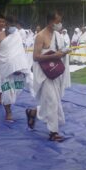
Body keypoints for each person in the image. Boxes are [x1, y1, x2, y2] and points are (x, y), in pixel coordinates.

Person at [26, 11, 72, 142]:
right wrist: (54, 56)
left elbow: (60, 51)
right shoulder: (40, 36)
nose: (60, 24)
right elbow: (35, 57)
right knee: (52, 101)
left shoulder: (58, 35)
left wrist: (64, 52)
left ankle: (33, 112)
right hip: (44, 74)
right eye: (57, 21)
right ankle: (53, 132)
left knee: (54, 101)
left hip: (55, 72)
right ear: (51, 22)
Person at [0, 16, 33, 122]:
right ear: (6, 25)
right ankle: (8, 111)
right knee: (7, 91)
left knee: (17, 90)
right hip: (5, 69)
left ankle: (9, 106)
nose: (13, 27)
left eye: (15, 25)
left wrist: (22, 65)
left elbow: (20, 51)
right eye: (11, 25)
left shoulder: (17, 35)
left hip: (19, 68)